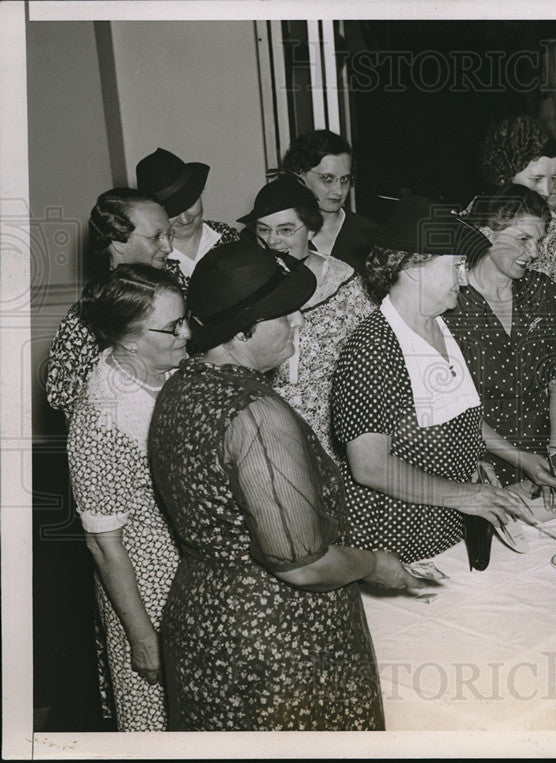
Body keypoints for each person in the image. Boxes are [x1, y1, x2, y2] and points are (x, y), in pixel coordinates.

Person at [147, 241, 421, 730]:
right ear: (242, 330)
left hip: (204, 621)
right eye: (284, 315)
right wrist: (374, 564)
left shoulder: (181, 384)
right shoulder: (255, 414)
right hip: (279, 642)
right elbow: (303, 564)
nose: (298, 323)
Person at [331, 195, 556, 563]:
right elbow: (369, 466)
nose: (463, 276)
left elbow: (459, 417)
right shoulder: (373, 347)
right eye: (455, 265)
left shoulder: (439, 325)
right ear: (413, 267)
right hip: (395, 535)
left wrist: (488, 460)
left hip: (445, 528)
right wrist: (463, 494)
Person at [66, 264, 188, 731]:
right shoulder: (103, 416)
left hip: (188, 574)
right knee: (157, 721)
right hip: (148, 590)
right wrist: (141, 636)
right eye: (173, 326)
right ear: (130, 339)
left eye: (185, 318)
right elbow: (103, 543)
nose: (186, 332)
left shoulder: (164, 373)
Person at [445, 185, 556, 498]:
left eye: (539, 240)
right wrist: (523, 461)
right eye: (523, 239)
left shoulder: (542, 291)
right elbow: (454, 409)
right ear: (488, 234)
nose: (534, 253)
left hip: (540, 455)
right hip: (477, 463)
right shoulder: (450, 302)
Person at [239, 173, 374, 453]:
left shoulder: (343, 281)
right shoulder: (244, 281)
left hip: (335, 431)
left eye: (286, 230)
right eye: (263, 230)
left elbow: (373, 362)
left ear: (311, 230)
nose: (273, 241)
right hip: (264, 426)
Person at [46, 189, 179, 418]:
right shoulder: (86, 318)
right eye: (156, 237)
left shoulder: (176, 284)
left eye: (169, 235)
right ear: (118, 242)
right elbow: (66, 400)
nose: (169, 248)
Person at [479, 114, 556, 284]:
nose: (547, 190)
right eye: (537, 179)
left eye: (553, 178)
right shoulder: (473, 220)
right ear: (505, 176)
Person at [135, 147, 240, 280]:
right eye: (172, 212)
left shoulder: (227, 237)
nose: (184, 220)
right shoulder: (150, 259)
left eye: (189, 204)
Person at [280, 129, 377, 270]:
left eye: (344, 179)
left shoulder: (370, 235)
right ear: (299, 175)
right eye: (327, 179)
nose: (338, 191)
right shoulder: (278, 234)